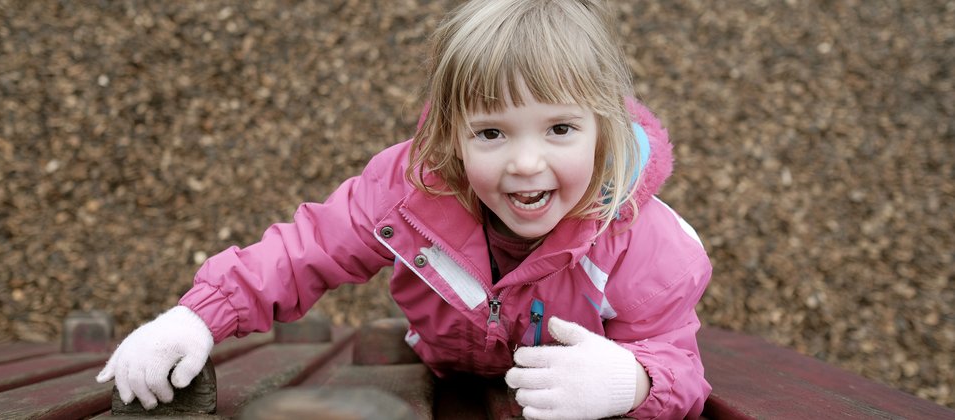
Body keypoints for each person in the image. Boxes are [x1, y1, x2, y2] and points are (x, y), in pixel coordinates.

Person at [96, 0, 712, 418]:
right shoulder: (412, 192)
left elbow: (680, 367)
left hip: (559, 393)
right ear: (451, 134)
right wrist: (197, 318)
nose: (526, 164)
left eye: (559, 129)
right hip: (442, 360)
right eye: (491, 134)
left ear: (603, 130)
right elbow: (305, 248)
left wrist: (631, 382)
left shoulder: (641, 243)